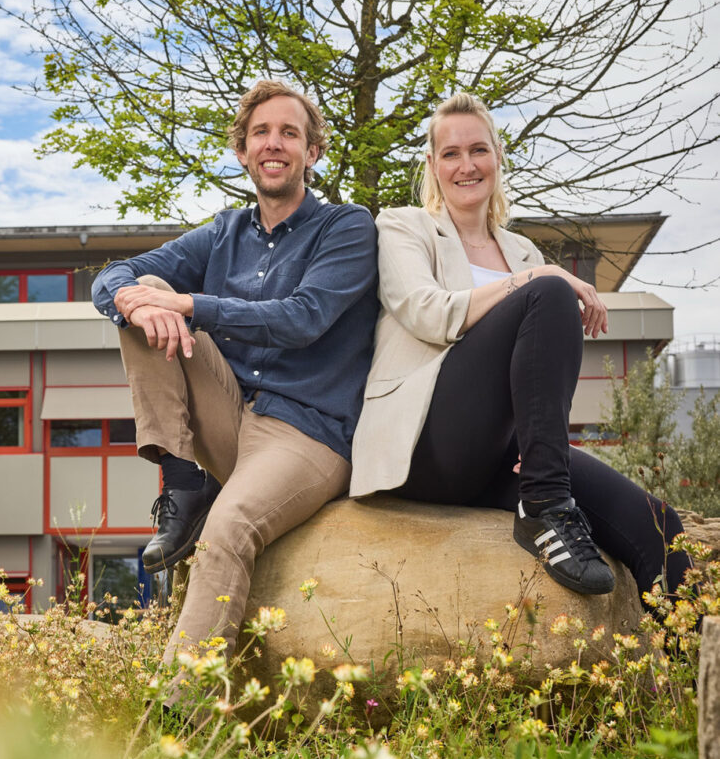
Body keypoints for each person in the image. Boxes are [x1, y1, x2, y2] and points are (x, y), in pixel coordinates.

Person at [350, 91, 690, 605]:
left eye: (478, 150)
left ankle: (686, 650)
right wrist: (538, 278)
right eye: (451, 153)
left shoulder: (522, 251)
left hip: (500, 455)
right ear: (433, 165)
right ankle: (546, 501)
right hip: (425, 444)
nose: (467, 165)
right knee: (548, 292)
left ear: (497, 156)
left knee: (659, 526)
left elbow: (537, 374)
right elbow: (428, 313)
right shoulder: (404, 226)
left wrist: (538, 446)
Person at [92, 79, 378, 664]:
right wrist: (134, 301)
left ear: (312, 152)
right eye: (261, 133)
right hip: (230, 415)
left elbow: (304, 317)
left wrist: (190, 305)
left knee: (227, 531)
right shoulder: (224, 231)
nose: (274, 143)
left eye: (289, 133)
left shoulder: (347, 227)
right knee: (143, 292)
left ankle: (178, 705)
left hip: (306, 433)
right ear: (242, 151)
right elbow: (113, 276)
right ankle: (183, 482)